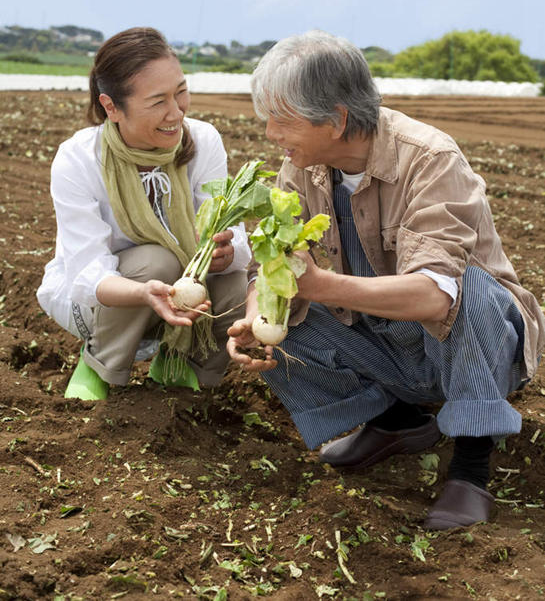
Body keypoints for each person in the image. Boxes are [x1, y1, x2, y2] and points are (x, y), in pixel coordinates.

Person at [227, 30, 545, 531]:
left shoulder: (429, 159)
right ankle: (398, 423)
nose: (270, 134)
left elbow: (436, 295)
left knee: (472, 291)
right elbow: (270, 265)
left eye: (281, 119)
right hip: (388, 339)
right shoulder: (301, 171)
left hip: (470, 345)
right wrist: (256, 311)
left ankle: (470, 469)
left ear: (338, 119)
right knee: (279, 315)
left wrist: (320, 286)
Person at [38, 27, 250, 400]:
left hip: (183, 295)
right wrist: (142, 293)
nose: (176, 112)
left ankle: (181, 365)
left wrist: (226, 252)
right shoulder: (79, 159)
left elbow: (232, 231)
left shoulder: (203, 142)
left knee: (235, 284)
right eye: (157, 102)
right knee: (156, 261)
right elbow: (89, 272)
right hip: (108, 301)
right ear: (111, 107)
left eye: (181, 92)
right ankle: (100, 365)